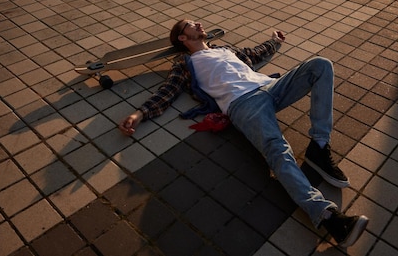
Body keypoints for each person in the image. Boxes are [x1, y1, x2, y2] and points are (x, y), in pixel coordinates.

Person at [120, 19, 369, 247]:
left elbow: (254, 54)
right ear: (182, 39)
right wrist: (139, 114)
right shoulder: (184, 64)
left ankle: (319, 147)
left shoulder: (225, 49)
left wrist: (275, 41)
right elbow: (167, 92)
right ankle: (328, 216)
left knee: (320, 65)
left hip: (269, 86)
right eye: (190, 24)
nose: (197, 23)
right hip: (243, 104)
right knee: (278, 152)